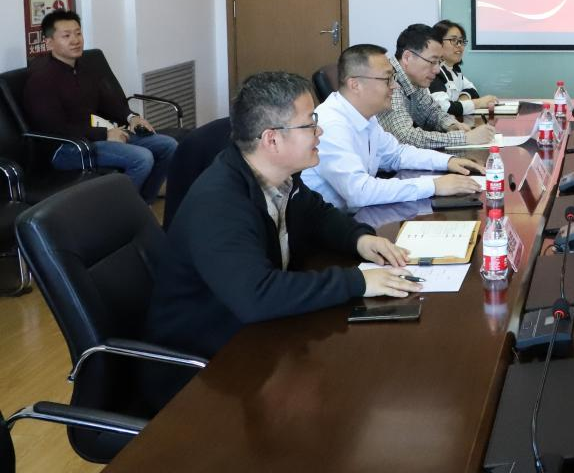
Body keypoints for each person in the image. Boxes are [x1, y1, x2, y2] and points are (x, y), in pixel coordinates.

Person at [145, 71, 424, 369]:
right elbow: (257, 295)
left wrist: (360, 239)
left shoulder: (280, 177)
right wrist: (357, 281)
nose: (320, 131)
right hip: (206, 361)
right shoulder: (219, 204)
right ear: (272, 139)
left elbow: (317, 214)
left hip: (257, 332)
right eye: (310, 123)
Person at [302, 44, 484, 210]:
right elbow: (359, 192)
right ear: (355, 85)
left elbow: (397, 154)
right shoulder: (331, 125)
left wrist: (447, 161)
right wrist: (433, 186)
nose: (395, 86)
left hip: (355, 217)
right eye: (387, 79)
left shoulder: (365, 115)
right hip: (328, 229)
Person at [23, 9, 177, 203]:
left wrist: (132, 117)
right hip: (66, 148)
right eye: (66, 36)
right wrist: (105, 134)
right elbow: (54, 128)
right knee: (142, 158)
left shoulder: (85, 68)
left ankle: (142, 203)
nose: (75, 40)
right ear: (49, 42)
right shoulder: (41, 79)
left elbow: (109, 101)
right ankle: (114, 213)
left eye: (78, 33)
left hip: (94, 136)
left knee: (168, 146)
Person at [379, 24, 495, 149]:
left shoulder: (415, 79)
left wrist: (452, 125)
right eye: (433, 61)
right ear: (407, 57)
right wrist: (465, 138)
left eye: (439, 62)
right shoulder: (389, 80)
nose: (437, 70)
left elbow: (432, 112)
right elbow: (405, 137)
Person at [429, 19, 498, 118]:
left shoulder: (454, 69)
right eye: (453, 40)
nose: (459, 45)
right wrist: (478, 103)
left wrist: (462, 99)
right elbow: (445, 108)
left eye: (461, 41)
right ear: (437, 43)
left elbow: (472, 90)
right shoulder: (433, 72)